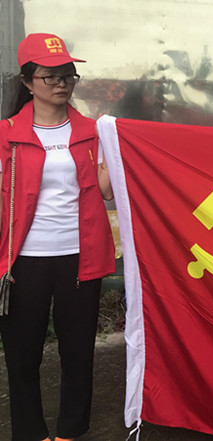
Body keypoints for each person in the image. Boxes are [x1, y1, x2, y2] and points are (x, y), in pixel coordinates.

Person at [0, 33, 115, 441]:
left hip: (79, 256)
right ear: (27, 82)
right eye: (50, 76)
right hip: (24, 260)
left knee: (78, 351)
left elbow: (105, 191)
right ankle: (30, 433)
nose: (62, 83)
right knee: (22, 355)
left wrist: (120, 154)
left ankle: (70, 431)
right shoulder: (6, 134)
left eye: (68, 75)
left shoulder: (94, 131)